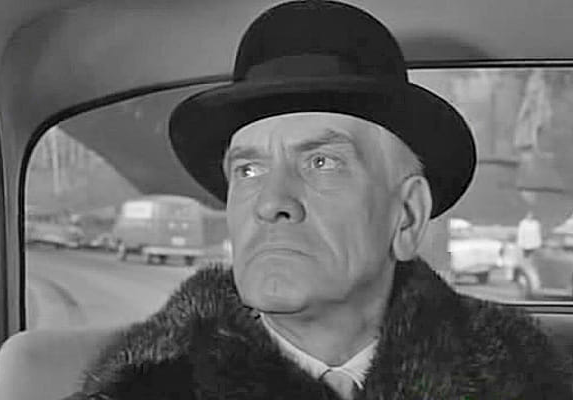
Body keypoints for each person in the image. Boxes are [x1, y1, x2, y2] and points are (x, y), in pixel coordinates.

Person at [65, 1, 571, 399]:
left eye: (321, 162)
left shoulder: (528, 379)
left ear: (407, 216)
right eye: (248, 170)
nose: (271, 203)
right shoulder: (145, 386)